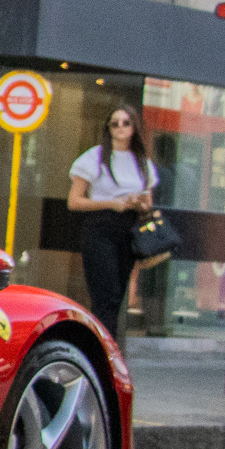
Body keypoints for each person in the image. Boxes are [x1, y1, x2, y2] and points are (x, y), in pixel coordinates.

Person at [67, 105, 160, 343]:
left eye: (125, 122)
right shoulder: (94, 157)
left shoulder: (142, 162)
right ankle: (103, 352)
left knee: (118, 297)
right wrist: (111, 203)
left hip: (129, 229)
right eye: (114, 123)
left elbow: (148, 204)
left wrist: (137, 203)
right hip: (100, 228)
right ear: (107, 129)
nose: (120, 127)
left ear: (134, 128)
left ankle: (103, 350)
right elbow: (74, 201)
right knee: (105, 296)